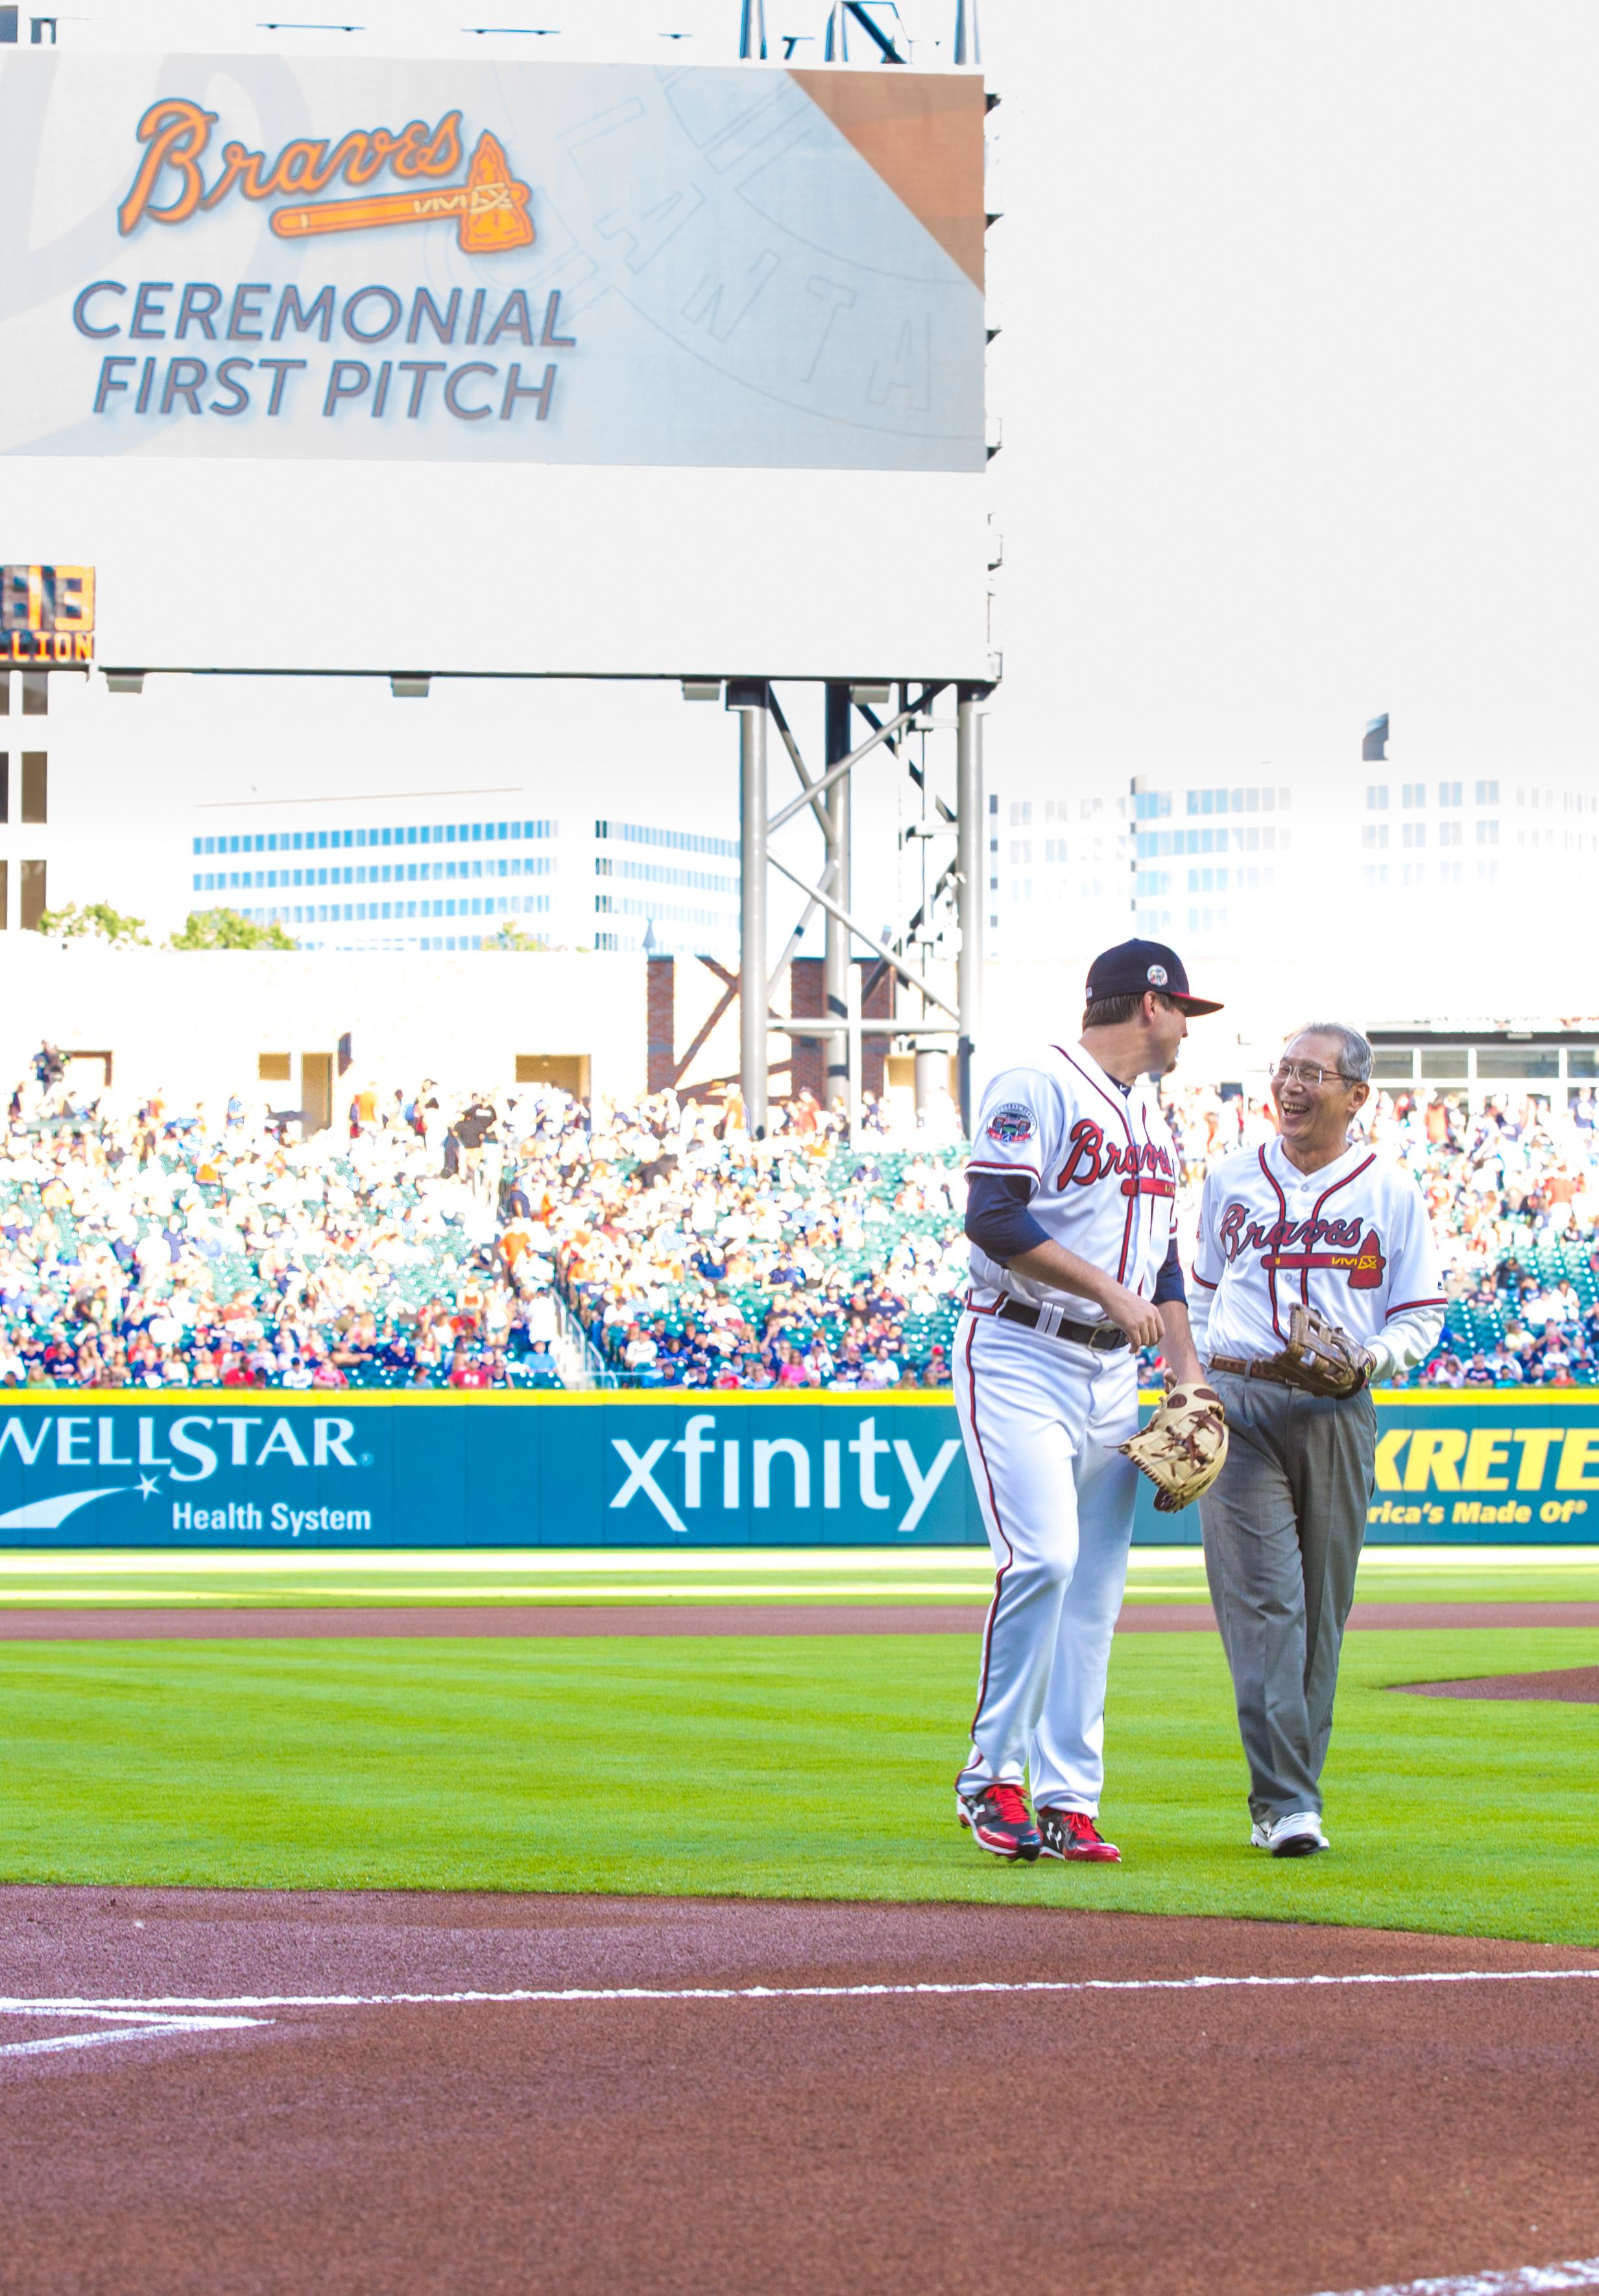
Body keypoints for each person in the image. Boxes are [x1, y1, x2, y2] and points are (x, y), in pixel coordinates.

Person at [952, 939, 1223, 1864]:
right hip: (1019, 1348)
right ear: (1148, 1006)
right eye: (1184, 1010)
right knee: (1044, 1560)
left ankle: (1068, 1798)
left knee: (1097, 1592)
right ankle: (991, 1777)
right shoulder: (1036, 1080)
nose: (1190, 1027)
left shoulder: (1152, 1116)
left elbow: (1162, 1264)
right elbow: (991, 1216)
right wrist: (1108, 1294)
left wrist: (1186, 1376)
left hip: (1115, 1372)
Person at [1190, 1023, 1443, 1856]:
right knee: (1266, 1607)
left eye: (1310, 1074)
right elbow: (1194, 1291)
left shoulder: (1390, 1190)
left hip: (1337, 1406)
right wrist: (1191, 1384)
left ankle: (1289, 1795)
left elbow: (1420, 1312)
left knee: (1320, 1614)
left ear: (1355, 1095)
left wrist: (1371, 1354)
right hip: (1241, 1398)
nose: (1290, 1087)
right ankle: (1287, 1805)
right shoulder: (1230, 1177)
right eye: (1283, 1071)